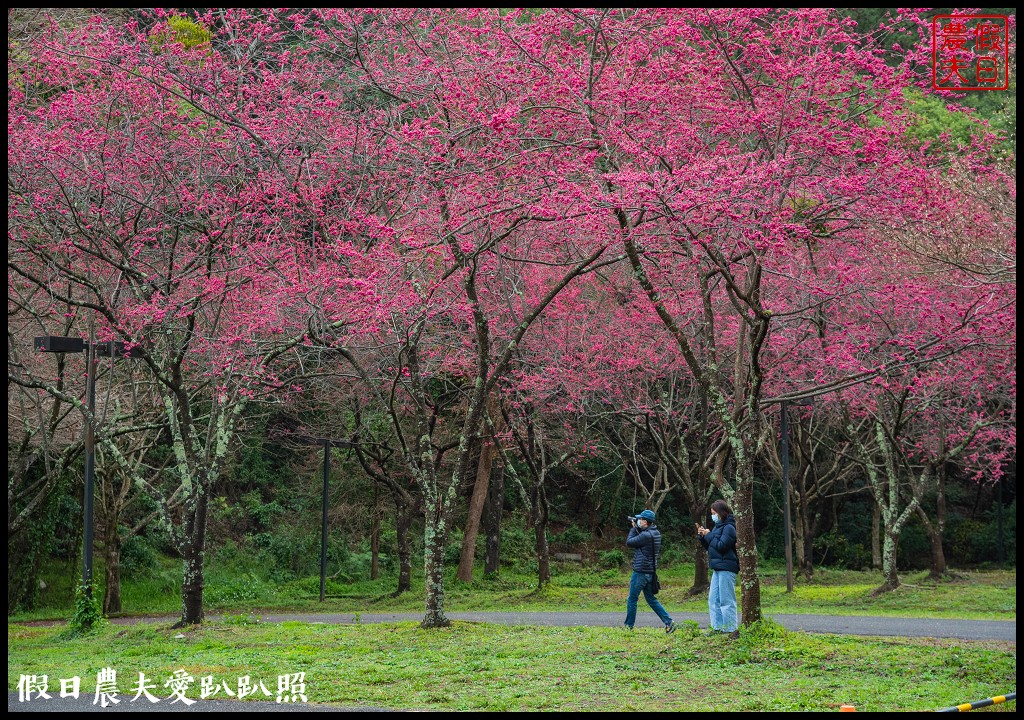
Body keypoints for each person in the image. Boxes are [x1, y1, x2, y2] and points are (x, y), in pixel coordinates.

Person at [624, 509, 677, 633]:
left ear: (646, 522)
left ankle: (628, 626)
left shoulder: (645, 535)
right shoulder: (655, 533)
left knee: (632, 599)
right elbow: (642, 540)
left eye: (640, 519)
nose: (638, 521)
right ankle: (669, 622)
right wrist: (637, 528)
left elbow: (630, 542)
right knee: (651, 599)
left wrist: (633, 528)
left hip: (640, 571)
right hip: (650, 572)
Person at [696, 499, 739, 636]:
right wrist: (703, 537)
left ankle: (731, 629)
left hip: (727, 567)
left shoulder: (730, 528)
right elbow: (712, 547)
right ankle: (718, 628)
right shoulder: (718, 527)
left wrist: (709, 535)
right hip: (717, 567)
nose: (712, 516)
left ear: (722, 512)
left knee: (727, 600)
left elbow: (721, 546)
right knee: (713, 599)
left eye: (714, 513)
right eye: (711, 513)